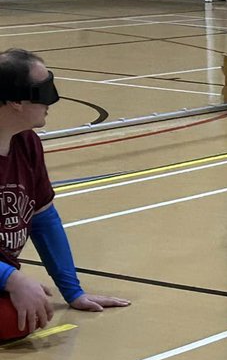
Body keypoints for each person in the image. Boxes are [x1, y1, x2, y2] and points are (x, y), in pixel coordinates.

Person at [0, 49, 130, 341]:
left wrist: (73, 292)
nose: (51, 101)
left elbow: (44, 219)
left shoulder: (27, 144)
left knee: (26, 314)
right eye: (43, 90)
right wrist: (11, 278)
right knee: (13, 319)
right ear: (15, 101)